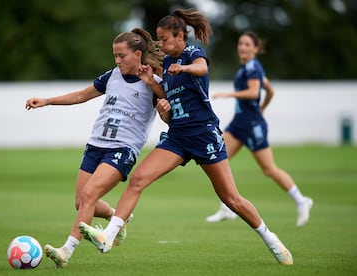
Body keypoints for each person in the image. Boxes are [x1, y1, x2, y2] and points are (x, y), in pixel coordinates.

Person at [79, 9, 293, 265]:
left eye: (165, 39)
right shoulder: (168, 64)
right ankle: (108, 235)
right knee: (137, 179)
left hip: (204, 134)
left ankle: (270, 239)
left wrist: (185, 67)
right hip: (177, 136)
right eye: (158, 39)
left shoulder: (192, 54)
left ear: (181, 37)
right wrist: (154, 88)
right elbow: (168, 102)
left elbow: (202, 69)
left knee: (230, 198)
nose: (161, 44)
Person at [25, 28, 170, 268]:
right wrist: (47, 101)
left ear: (137, 54)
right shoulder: (112, 76)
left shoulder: (154, 84)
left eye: (122, 56)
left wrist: (154, 88)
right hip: (95, 145)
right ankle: (118, 217)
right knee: (80, 202)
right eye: (115, 55)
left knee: (90, 195)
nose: (117, 60)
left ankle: (65, 252)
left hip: (122, 149)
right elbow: (82, 95)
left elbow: (167, 112)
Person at [205, 31, 313, 226]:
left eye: (247, 44)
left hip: (252, 125)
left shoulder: (253, 67)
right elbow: (269, 90)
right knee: (221, 161)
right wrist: (262, 107)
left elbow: (255, 92)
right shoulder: (248, 67)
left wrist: (229, 95)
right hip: (239, 124)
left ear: (256, 49)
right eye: (240, 44)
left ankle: (302, 201)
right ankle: (227, 208)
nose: (242, 47)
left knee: (269, 169)